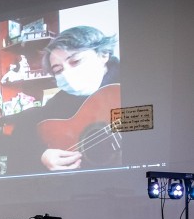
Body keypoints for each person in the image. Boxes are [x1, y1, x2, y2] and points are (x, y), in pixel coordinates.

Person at [8, 26, 120, 172]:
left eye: (75, 61)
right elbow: (24, 129)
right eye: (58, 70)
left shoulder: (138, 83)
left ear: (103, 55)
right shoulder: (61, 100)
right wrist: (41, 155)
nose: (67, 73)